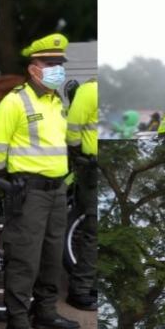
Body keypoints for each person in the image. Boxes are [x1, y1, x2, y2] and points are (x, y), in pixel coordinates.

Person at [0, 33, 81, 329]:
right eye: (50, 63)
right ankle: (17, 323)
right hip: (28, 192)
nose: (57, 69)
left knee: (52, 257)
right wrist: (3, 178)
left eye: (60, 64)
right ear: (33, 68)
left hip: (56, 192)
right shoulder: (15, 101)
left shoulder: (57, 103)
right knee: (25, 258)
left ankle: (46, 312)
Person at [65, 77, 98, 312]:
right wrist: (81, 157)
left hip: (97, 166)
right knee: (92, 232)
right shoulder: (90, 90)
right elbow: (73, 130)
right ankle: (80, 290)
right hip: (91, 167)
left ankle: (90, 283)